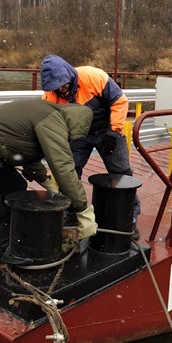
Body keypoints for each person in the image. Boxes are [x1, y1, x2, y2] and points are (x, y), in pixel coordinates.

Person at [0, 99, 95, 309]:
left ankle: (2, 249)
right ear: (76, 125)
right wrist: (83, 209)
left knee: (15, 188)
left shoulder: (46, 113)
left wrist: (47, 182)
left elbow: (25, 150)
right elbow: (63, 166)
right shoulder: (52, 121)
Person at [40, 55, 141, 240]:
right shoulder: (50, 97)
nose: (60, 90)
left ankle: (130, 219)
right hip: (78, 134)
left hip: (108, 129)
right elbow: (48, 121)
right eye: (55, 88)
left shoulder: (94, 77)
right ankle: (71, 213)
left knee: (122, 173)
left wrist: (114, 131)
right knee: (68, 172)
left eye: (62, 85)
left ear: (69, 77)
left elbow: (120, 101)